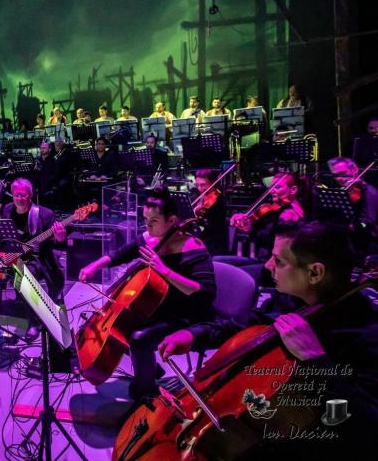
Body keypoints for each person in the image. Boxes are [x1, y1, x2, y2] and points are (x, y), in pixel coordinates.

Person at [158, 222, 378, 457]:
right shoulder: (293, 299)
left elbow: (368, 423)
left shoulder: (366, 334)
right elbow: (249, 324)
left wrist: (316, 358)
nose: (267, 265)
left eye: (279, 261)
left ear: (315, 273)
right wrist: (195, 334)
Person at [79, 187, 216, 400]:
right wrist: (95, 265)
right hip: (157, 307)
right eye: (145, 219)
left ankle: (146, 393)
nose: (147, 226)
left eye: (153, 221)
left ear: (172, 221)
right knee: (120, 326)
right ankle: (149, 369)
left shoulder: (193, 247)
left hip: (186, 314)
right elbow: (120, 255)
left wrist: (165, 271)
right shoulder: (150, 238)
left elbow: (207, 293)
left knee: (138, 338)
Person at [0, 178, 66, 321]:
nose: (19, 199)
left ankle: (34, 320)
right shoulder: (8, 209)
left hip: (36, 259)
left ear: (30, 195)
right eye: (16, 195)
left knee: (25, 273)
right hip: (10, 256)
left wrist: (60, 237)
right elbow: (3, 236)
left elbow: (58, 244)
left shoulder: (45, 214)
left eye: (23, 195)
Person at [216, 171, 305, 286]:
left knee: (227, 274)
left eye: (278, 187)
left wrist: (251, 230)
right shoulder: (277, 210)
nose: (272, 191)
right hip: (262, 260)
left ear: (293, 190)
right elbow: (259, 231)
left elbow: (272, 245)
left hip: (273, 267)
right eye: (271, 187)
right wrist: (246, 223)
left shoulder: (289, 215)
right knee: (216, 261)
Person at [326, 156, 377, 255]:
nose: (340, 178)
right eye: (335, 175)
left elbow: (368, 224)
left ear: (354, 169)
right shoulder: (343, 192)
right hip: (348, 243)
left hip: (366, 246)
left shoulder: (370, 193)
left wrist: (348, 226)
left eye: (343, 173)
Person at [192, 169, 228, 255]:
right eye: (197, 185)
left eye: (203, 185)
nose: (200, 188)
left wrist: (199, 215)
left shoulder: (219, 200)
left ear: (213, 183)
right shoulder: (198, 196)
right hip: (201, 237)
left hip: (214, 242)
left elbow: (212, 226)